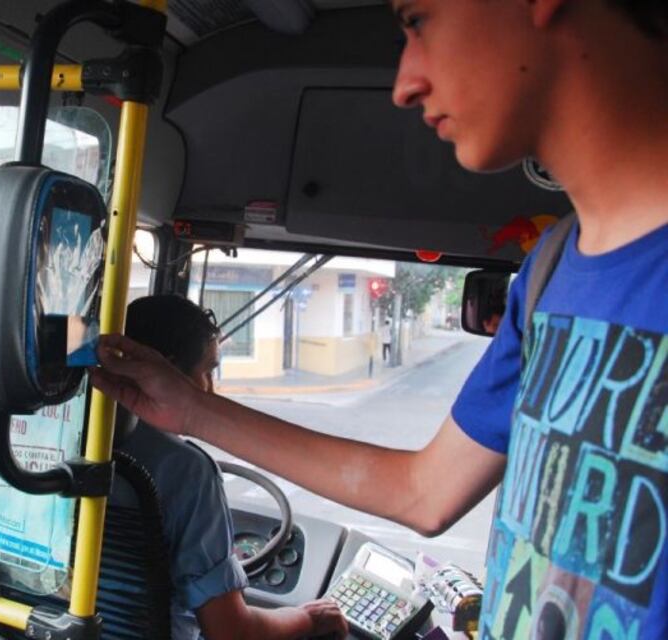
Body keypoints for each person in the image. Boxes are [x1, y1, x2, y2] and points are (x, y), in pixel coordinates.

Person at [92, 2, 668, 638]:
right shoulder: (550, 272)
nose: (404, 83)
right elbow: (424, 493)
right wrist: (191, 413)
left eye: (418, 21)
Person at [110, 295, 346, 640]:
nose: (211, 388)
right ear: (167, 374)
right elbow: (231, 632)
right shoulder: (187, 471)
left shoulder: (58, 448)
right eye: (207, 371)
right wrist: (306, 618)